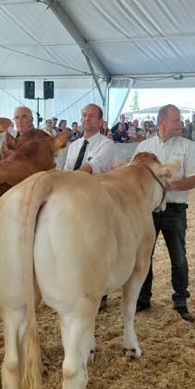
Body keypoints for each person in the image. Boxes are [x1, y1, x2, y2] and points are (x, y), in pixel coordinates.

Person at [132, 104, 195, 321]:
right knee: (145, 256)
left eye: (179, 120)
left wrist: (169, 186)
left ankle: (180, 301)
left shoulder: (188, 146)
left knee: (179, 257)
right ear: (162, 122)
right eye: (176, 120)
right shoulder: (144, 146)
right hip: (148, 211)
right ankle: (143, 299)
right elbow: (134, 175)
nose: (180, 124)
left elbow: (193, 180)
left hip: (175, 209)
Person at [62, 103, 116, 311]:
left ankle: (100, 293)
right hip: (73, 201)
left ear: (100, 122)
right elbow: (66, 169)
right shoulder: (74, 145)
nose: (87, 119)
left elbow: (91, 168)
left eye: (92, 116)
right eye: (84, 115)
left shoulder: (106, 144)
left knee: (97, 249)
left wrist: (65, 181)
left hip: (96, 202)